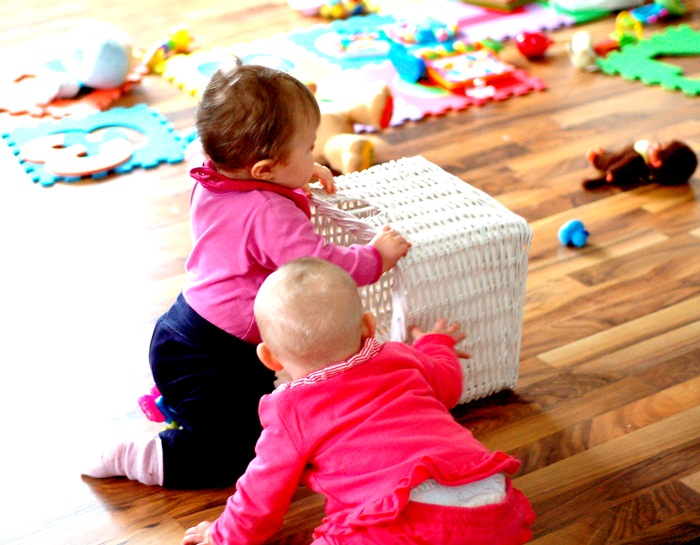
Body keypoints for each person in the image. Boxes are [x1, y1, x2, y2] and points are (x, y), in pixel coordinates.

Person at [82, 60, 410, 489]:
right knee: (236, 456)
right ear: (264, 170)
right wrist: (375, 256)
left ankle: (184, 408)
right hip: (212, 356)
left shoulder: (210, 168)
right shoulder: (268, 212)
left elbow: (218, 154)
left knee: (259, 421)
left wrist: (295, 172)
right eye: (309, 150)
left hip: (189, 331)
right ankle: (138, 454)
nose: (314, 156)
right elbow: (321, 266)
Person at [182, 258, 535, 545]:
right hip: (489, 499)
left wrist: (222, 535)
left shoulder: (290, 410)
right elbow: (448, 385)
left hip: (403, 517)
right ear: (368, 326)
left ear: (269, 358)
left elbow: (262, 492)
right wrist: (436, 344)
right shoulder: (398, 356)